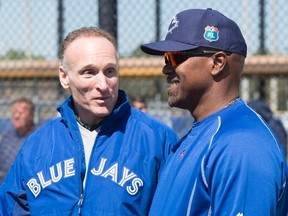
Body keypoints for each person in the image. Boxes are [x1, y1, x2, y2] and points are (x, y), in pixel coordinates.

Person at [0, 27, 178, 215]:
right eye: (89, 72)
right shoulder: (36, 146)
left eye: (110, 71)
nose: (102, 84)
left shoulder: (157, 139)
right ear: (64, 77)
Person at [141, 8, 288, 215]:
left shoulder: (242, 146)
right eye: (166, 58)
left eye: (174, 57)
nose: (166, 68)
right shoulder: (201, 134)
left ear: (217, 63)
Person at [0, 98, 36, 184]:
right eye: (14, 113)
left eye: (20, 113)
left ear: (31, 115)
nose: (16, 116)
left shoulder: (38, 138)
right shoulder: (7, 138)